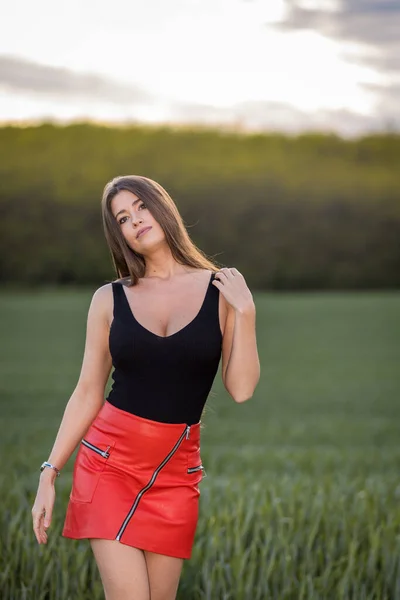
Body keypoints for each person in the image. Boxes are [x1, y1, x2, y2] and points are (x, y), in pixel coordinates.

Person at [31, 175, 260, 600]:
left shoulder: (222, 290)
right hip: (108, 463)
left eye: (141, 207)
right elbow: (87, 391)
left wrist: (245, 312)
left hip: (176, 472)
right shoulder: (108, 299)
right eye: (122, 218)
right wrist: (50, 471)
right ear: (119, 236)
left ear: (163, 207)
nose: (135, 220)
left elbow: (242, 389)